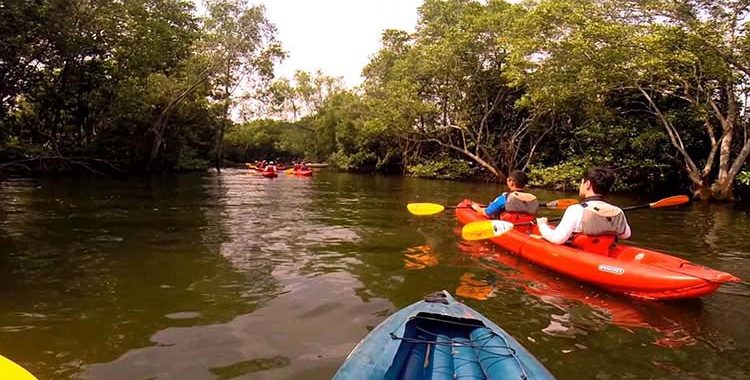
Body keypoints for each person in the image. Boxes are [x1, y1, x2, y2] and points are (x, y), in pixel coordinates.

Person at [536, 167, 631, 254]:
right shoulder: (617, 211)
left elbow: (557, 239)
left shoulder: (576, 209)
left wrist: (542, 225)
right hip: (602, 254)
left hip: (580, 256)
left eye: (581, 182)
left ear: (587, 184)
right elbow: (626, 235)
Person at [471, 170, 539, 225]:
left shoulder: (506, 197)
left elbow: (487, 212)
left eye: (508, 180)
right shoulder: (532, 198)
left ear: (511, 183)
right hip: (525, 226)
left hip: (507, 227)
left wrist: (476, 207)